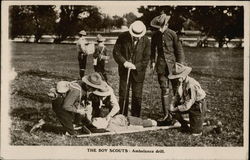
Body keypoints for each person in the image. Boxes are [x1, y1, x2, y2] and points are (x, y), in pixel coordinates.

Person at [150, 13, 185, 124]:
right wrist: (153, 62)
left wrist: (180, 65)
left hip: (173, 67)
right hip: (161, 67)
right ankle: (166, 115)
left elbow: (179, 51)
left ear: (166, 24)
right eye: (158, 27)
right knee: (164, 89)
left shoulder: (173, 34)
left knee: (176, 90)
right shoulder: (155, 36)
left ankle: (176, 114)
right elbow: (152, 51)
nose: (160, 29)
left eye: (162, 26)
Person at [113, 20, 151, 117]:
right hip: (124, 71)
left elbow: (146, 58)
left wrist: (135, 66)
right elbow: (116, 52)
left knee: (137, 96)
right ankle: (122, 115)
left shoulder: (146, 40)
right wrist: (124, 62)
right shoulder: (122, 37)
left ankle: (135, 117)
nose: (136, 37)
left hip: (138, 73)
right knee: (123, 94)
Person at [168, 63, 207, 136]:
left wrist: (176, 108)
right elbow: (177, 95)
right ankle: (185, 125)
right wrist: (172, 104)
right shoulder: (181, 82)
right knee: (172, 111)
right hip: (189, 104)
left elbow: (188, 104)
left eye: (178, 77)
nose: (176, 79)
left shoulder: (191, 85)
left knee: (195, 133)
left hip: (197, 106)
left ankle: (214, 127)